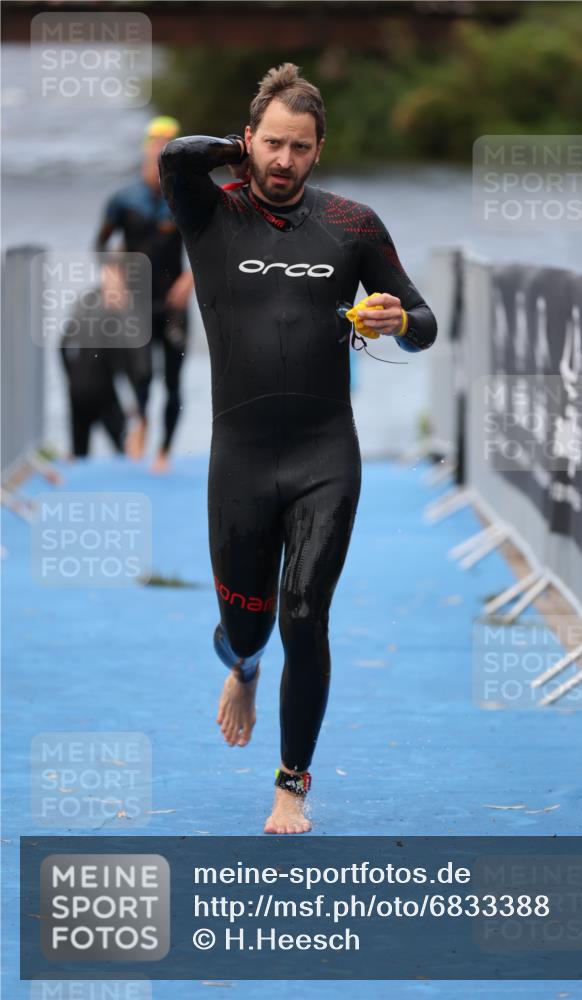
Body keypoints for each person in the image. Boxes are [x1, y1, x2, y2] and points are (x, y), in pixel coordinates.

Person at [159, 63, 437, 834]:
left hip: (324, 454)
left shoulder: (351, 225)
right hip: (240, 461)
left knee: (305, 614)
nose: (284, 163)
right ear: (248, 142)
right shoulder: (209, 215)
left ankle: (291, 781)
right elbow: (176, 156)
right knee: (247, 629)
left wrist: (397, 322)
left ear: (321, 151)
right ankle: (242, 668)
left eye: (300, 148)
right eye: (271, 145)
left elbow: (424, 322)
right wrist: (237, 151)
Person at [95, 116, 193, 474]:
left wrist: (191, 279)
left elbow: (209, 244)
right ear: (145, 154)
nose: (157, 161)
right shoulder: (124, 199)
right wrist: (111, 277)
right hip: (137, 302)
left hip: (173, 303)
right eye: (154, 150)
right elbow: (101, 243)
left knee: (173, 379)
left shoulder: (184, 198)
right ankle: (141, 422)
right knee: (139, 376)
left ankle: (164, 451)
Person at [59, 259, 128, 458]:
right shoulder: (116, 307)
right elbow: (124, 359)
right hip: (103, 389)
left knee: (80, 452)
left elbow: (62, 344)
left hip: (78, 385)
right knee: (123, 449)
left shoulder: (84, 300)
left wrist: (70, 374)